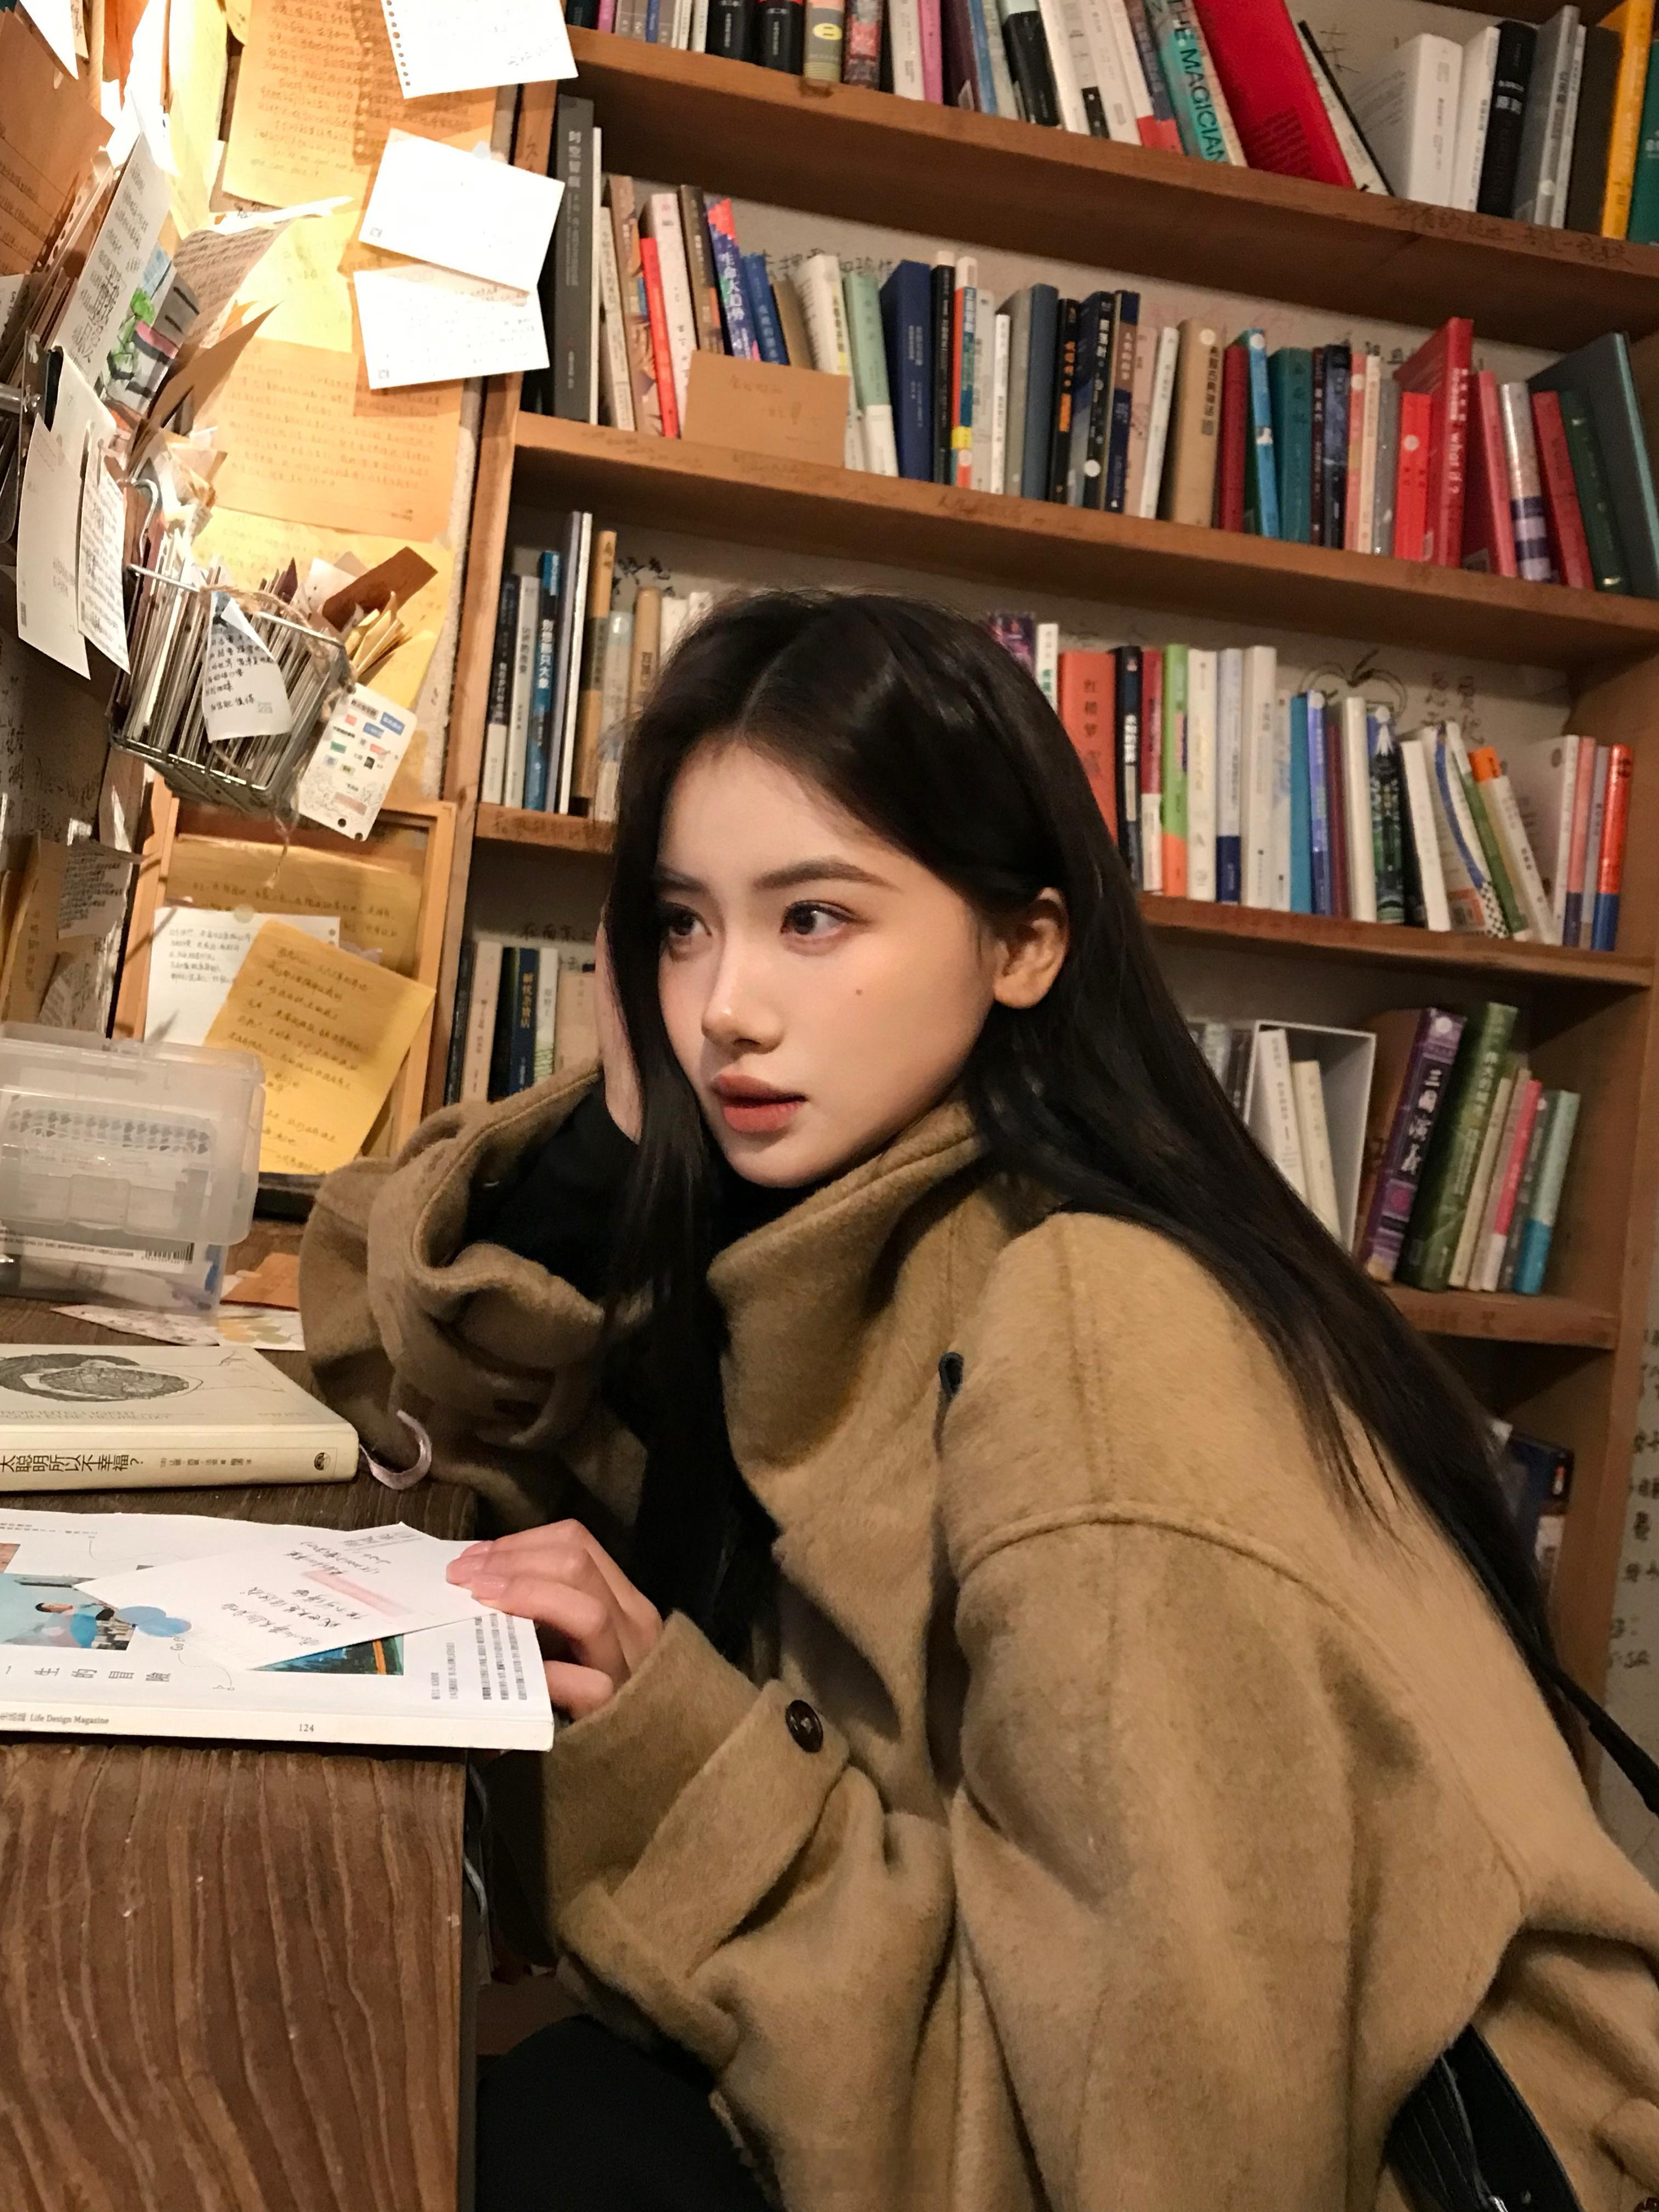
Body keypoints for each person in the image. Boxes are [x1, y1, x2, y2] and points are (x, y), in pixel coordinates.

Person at [302, 592, 1659, 2212]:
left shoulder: (1094, 1334)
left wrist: (679, 1760)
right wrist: (614, 1137)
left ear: (1025, 944)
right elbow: (397, 1398)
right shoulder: (831, 1241)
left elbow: (1153, 2148)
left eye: (815, 918)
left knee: (514, 2133)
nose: (725, 1003)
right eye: (681, 924)